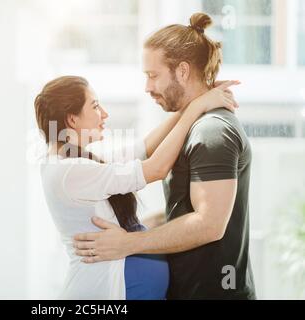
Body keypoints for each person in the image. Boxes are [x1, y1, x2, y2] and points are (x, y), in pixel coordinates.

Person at [73, 12, 256, 300]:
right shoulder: (194, 125)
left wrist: (129, 243)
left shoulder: (211, 132)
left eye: (153, 75)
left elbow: (209, 224)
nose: (147, 87)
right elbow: (185, 208)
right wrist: (131, 226)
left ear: (182, 71)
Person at [35, 72, 238, 299]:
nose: (104, 114)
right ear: (72, 119)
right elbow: (156, 168)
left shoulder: (76, 164)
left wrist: (195, 100)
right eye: (94, 106)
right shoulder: (70, 171)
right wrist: (197, 107)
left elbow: (144, 148)